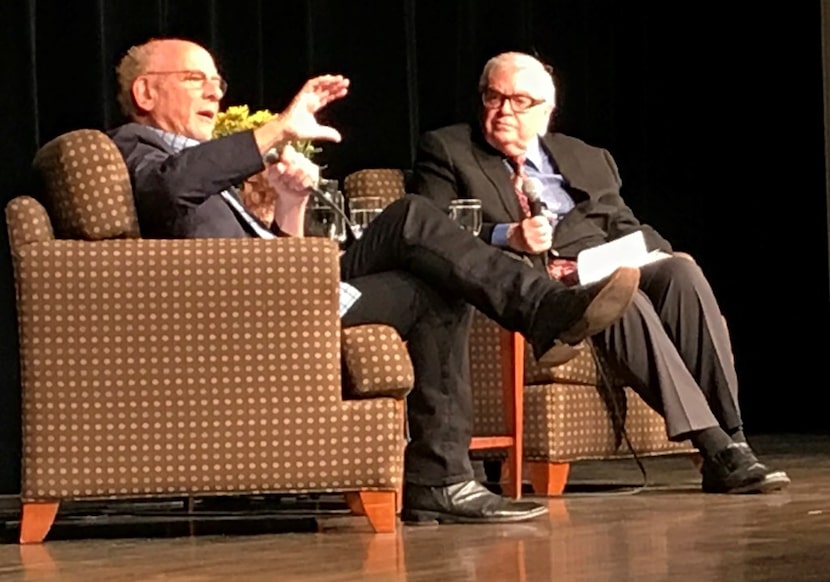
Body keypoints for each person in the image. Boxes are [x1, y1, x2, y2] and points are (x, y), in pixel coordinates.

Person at [107, 38, 642, 524]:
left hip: (293, 292)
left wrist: (289, 203)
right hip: (258, 315)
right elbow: (168, 191)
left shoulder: (191, 162)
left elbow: (282, 255)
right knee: (411, 216)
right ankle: (543, 311)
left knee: (439, 276)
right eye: (196, 79)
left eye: (218, 81)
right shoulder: (135, 149)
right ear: (146, 91)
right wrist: (278, 127)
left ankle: (441, 479)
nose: (216, 92)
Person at [411, 51, 790, 495]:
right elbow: (432, 228)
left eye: (519, 101)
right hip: (535, 283)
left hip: (599, 260)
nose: (503, 111)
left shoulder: (587, 157)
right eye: (493, 98)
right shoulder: (447, 149)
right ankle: (713, 448)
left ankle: (735, 438)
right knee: (617, 296)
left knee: (682, 275)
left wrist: (665, 254)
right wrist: (505, 235)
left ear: (546, 111)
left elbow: (624, 225)